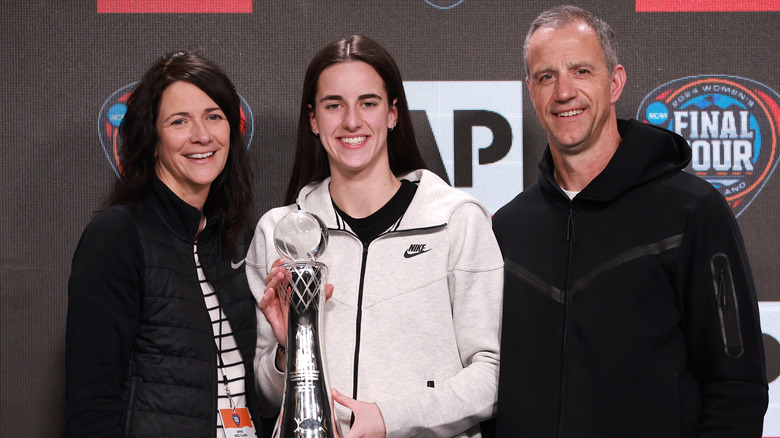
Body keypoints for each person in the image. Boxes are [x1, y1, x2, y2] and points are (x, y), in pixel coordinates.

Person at [492, 5, 768, 437]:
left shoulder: (692, 211)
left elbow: (736, 387)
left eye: (581, 71)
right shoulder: (509, 228)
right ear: (531, 91)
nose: (564, 91)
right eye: (547, 76)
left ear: (615, 81)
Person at [246, 35, 503, 437]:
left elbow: (491, 376)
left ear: (393, 114)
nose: (351, 121)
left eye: (368, 103)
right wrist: (291, 346)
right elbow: (263, 398)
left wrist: (391, 417)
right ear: (313, 119)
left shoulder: (458, 221)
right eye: (334, 105)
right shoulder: (280, 232)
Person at [65, 51, 264, 437]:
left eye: (213, 116)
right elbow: (91, 401)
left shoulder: (228, 243)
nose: (202, 135)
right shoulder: (118, 234)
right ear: (153, 141)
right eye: (179, 121)